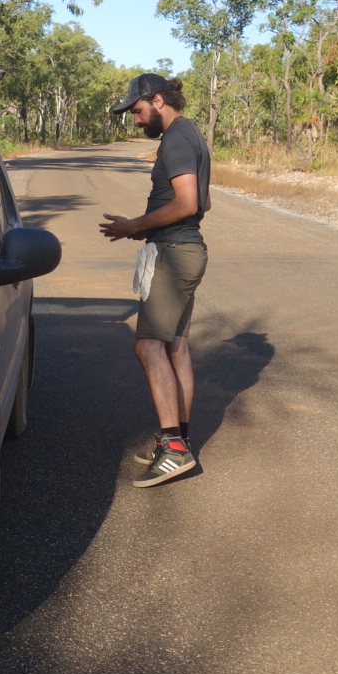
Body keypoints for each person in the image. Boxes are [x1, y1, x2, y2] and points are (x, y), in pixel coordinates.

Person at [99, 73, 211, 486]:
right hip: (184, 248)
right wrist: (147, 227)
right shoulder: (191, 133)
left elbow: (189, 202)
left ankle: (175, 449)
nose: (135, 119)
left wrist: (136, 225)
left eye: (137, 110)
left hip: (175, 254)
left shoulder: (176, 138)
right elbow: (204, 202)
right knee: (175, 347)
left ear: (158, 101)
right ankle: (176, 441)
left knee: (147, 346)